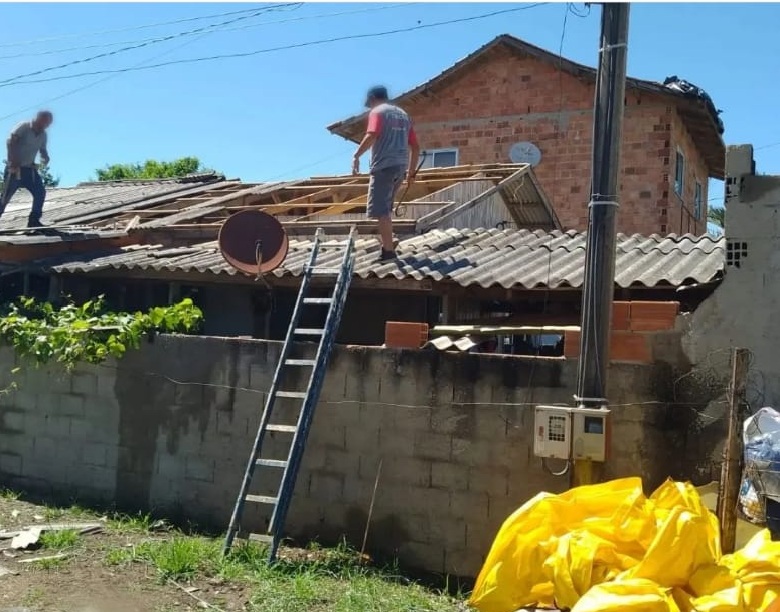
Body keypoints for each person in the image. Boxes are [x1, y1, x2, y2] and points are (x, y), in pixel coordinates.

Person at [352, 86, 420, 262]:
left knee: (380, 211)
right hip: (400, 166)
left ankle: (389, 252)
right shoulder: (404, 115)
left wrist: (356, 156)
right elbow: (415, 146)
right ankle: (390, 240)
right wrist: (411, 171)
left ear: (373, 98)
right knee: (386, 208)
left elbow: (372, 134)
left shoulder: (378, 112)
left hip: (383, 166)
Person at [0, 110, 54, 227]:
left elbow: (42, 149)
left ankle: (34, 221)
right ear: (39, 119)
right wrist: (13, 161)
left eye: (48, 124)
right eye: (45, 122)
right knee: (5, 197)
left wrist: (45, 156)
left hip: (29, 170)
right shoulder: (24, 126)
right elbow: (10, 142)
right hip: (15, 168)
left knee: (40, 192)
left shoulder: (43, 135)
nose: (46, 126)